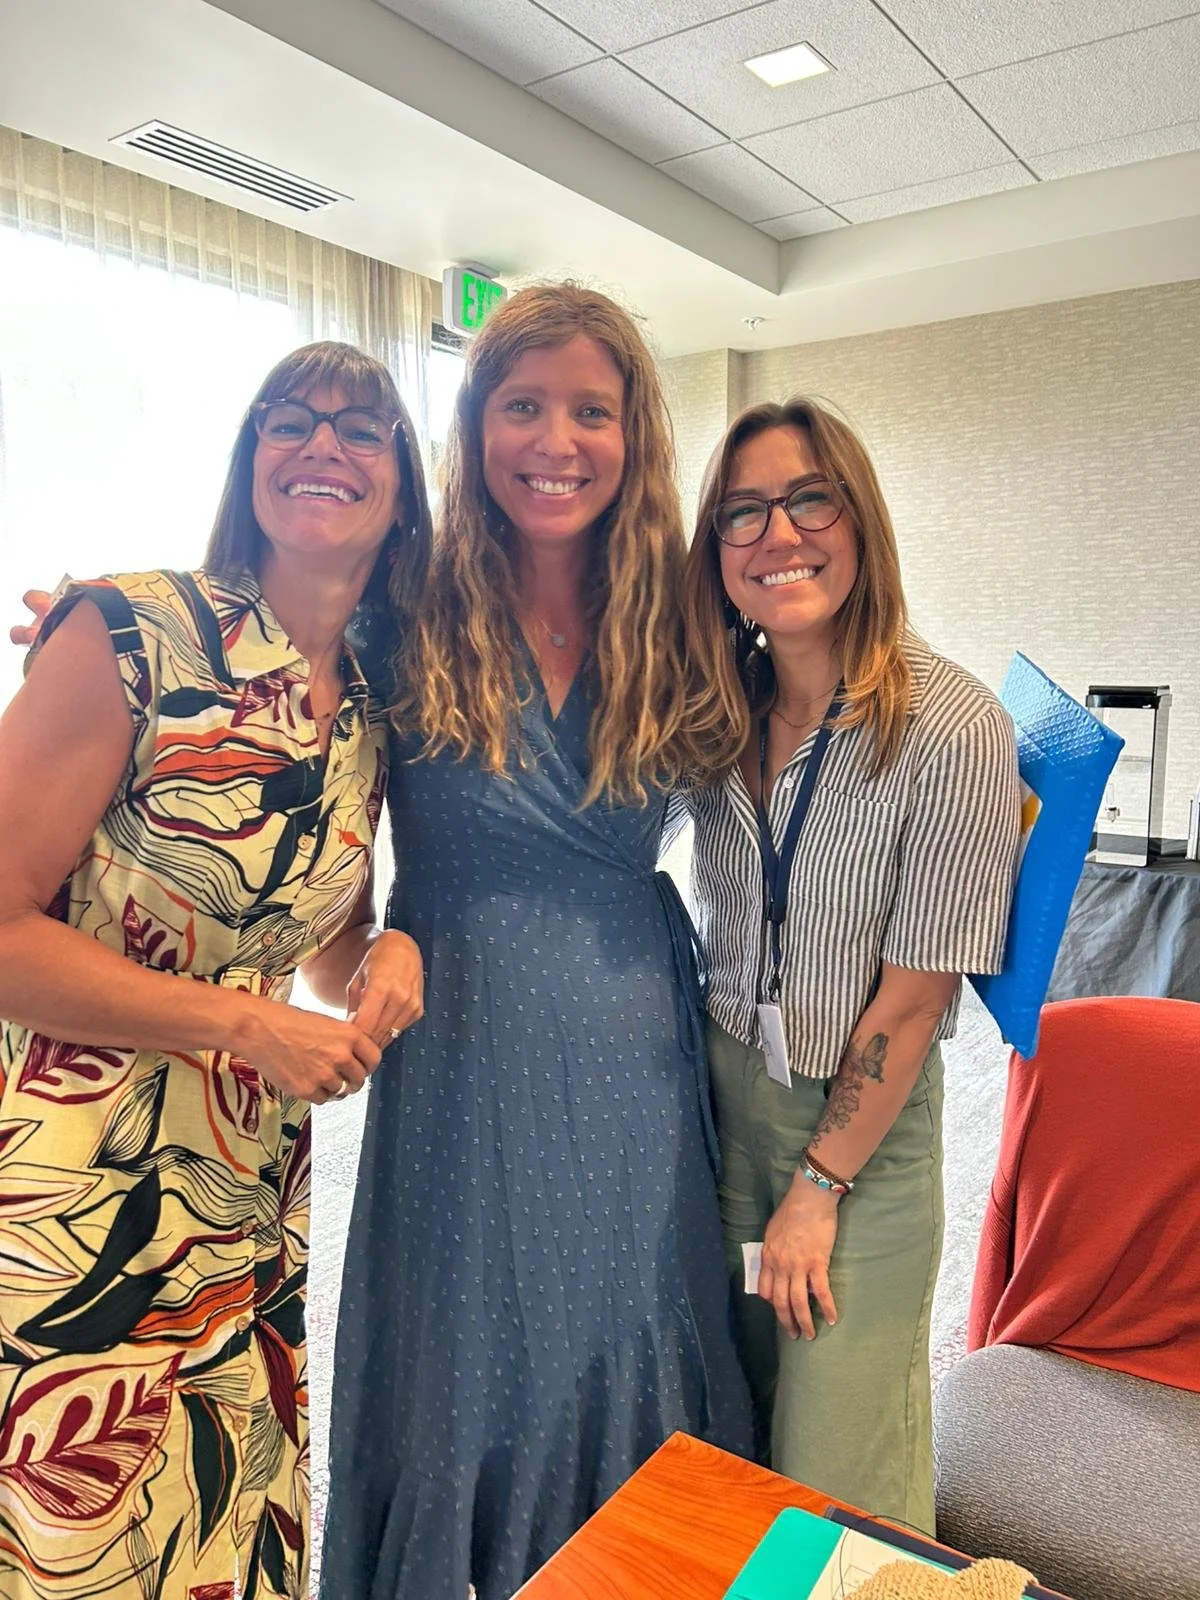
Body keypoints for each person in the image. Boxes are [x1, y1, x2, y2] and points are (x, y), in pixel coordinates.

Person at [318, 284, 753, 1600]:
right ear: (475, 423)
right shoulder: (402, 600)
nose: (554, 440)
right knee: (469, 1346)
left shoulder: (687, 615)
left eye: (590, 410)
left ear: (636, 435)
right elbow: (259, 665)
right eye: (522, 405)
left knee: (630, 1322)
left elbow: (833, 659)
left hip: (633, 1038)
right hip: (462, 1038)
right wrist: (113, 633)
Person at [0, 341, 429, 1599]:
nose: (321, 446)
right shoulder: (127, 630)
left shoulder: (364, 703)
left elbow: (323, 935)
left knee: (218, 1528)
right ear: (250, 463)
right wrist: (242, 1029)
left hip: (242, 1191)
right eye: (287, 422)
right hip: (71, 1182)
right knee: (81, 1538)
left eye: (362, 429)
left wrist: (386, 944)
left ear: (404, 487)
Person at [680, 398, 1020, 1532]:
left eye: (808, 497)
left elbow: (916, 997)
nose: (779, 534)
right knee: (736, 1414)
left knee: (839, 1463)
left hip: (856, 1132)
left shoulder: (952, 725)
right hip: (724, 1099)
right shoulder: (719, 704)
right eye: (743, 513)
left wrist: (818, 1189)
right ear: (716, 553)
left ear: (859, 518)